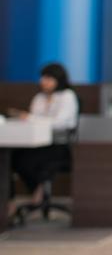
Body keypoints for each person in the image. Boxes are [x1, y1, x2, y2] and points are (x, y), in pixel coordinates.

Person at [7, 63, 79, 218]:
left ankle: (38, 190)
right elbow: (33, 123)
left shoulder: (67, 97)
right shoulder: (39, 98)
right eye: (42, 78)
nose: (43, 82)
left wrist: (31, 118)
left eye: (48, 78)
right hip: (38, 144)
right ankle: (11, 201)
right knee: (11, 158)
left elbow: (59, 122)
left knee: (30, 161)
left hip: (59, 146)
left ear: (58, 80)